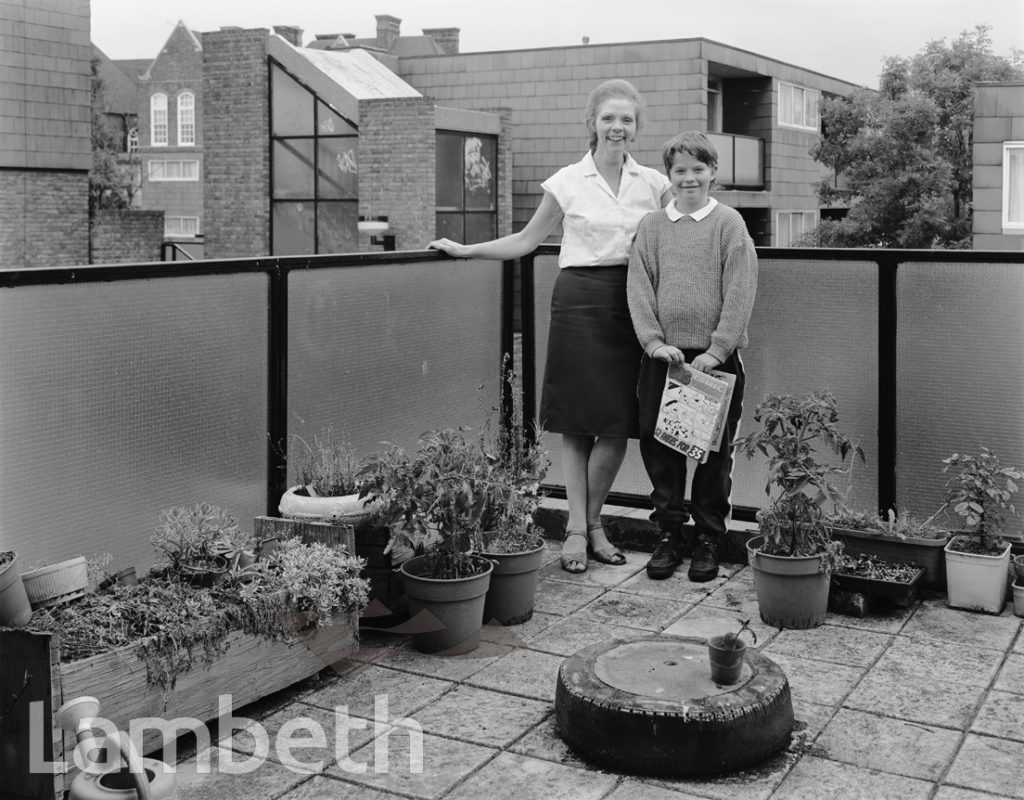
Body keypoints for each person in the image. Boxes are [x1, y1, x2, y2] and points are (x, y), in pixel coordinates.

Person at [429, 79, 671, 573]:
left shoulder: (654, 184)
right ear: (592, 123)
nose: (617, 127)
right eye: (608, 118)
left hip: (634, 306)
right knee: (578, 422)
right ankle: (580, 532)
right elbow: (526, 239)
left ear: (637, 127)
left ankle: (593, 523)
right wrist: (468, 249)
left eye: (626, 119)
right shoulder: (567, 181)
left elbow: (677, 241)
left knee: (617, 424)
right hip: (580, 303)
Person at [627, 131, 758, 582]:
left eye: (698, 169)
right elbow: (639, 285)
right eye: (680, 170)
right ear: (669, 176)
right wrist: (652, 341)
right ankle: (668, 536)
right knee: (659, 447)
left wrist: (718, 350)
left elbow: (741, 290)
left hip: (712, 363)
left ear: (713, 173)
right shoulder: (652, 226)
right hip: (664, 360)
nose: (689, 178)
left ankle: (708, 538)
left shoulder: (729, 224)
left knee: (711, 454)